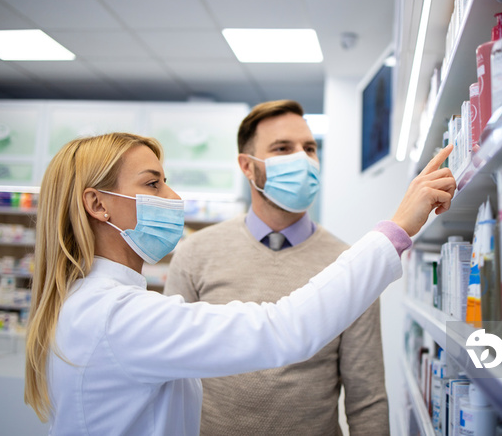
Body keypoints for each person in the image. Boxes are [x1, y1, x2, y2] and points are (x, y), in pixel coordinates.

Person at [24, 132, 455, 436]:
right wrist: (397, 229)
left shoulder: (94, 304)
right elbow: (283, 329)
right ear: (98, 204)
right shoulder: (116, 317)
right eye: (153, 183)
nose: (173, 198)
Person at [164, 100, 389, 435]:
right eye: (283, 148)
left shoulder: (351, 265)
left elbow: (366, 398)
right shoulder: (196, 253)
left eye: (309, 148)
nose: (302, 159)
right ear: (247, 166)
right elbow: (169, 372)